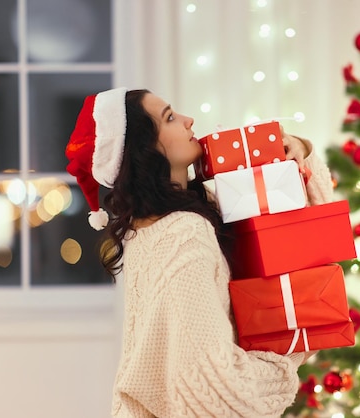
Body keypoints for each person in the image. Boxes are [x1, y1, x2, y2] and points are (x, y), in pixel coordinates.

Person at [65, 87, 335, 417]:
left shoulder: (164, 222)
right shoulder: (184, 234)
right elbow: (219, 394)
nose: (188, 120)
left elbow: (306, 226)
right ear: (145, 150)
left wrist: (298, 148)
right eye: (169, 118)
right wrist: (294, 350)